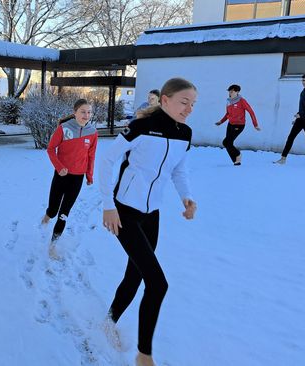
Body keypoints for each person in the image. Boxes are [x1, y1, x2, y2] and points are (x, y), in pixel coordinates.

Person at [99, 78, 198, 366]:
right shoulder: (140, 127)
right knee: (158, 283)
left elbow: (179, 168)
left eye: (193, 103)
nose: (189, 108)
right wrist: (108, 206)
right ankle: (144, 355)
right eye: (184, 102)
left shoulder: (185, 133)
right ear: (165, 100)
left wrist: (186, 197)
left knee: (136, 274)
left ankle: (109, 321)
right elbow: (108, 160)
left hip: (151, 214)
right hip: (124, 212)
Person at [42, 99, 98, 259]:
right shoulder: (64, 128)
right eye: (83, 111)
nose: (86, 115)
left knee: (64, 213)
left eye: (89, 112)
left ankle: (52, 246)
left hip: (77, 178)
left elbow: (91, 155)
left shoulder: (92, 132)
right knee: (53, 211)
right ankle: (47, 215)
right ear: (75, 112)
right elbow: (51, 149)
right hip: (61, 176)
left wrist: (89, 174)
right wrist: (59, 167)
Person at [274, 73, 305, 165]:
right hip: (301, 119)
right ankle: (283, 159)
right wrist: (298, 115)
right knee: (290, 138)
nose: (304, 82)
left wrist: (301, 115)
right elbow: (303, 107)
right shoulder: (303, 92)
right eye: (303, 80)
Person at [215, 84, 261, 165]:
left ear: (237, 92)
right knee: (227, 143)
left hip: (239, 125)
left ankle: (238, 155)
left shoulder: (242, 101)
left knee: (227, 142)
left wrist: (255, 124)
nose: (230, 93)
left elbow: (251, 112)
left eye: (232, 91)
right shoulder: (228, 101)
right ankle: (236, 161)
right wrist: (221, 121)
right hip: (230, 124)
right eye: (229, 91)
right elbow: (227, 114)